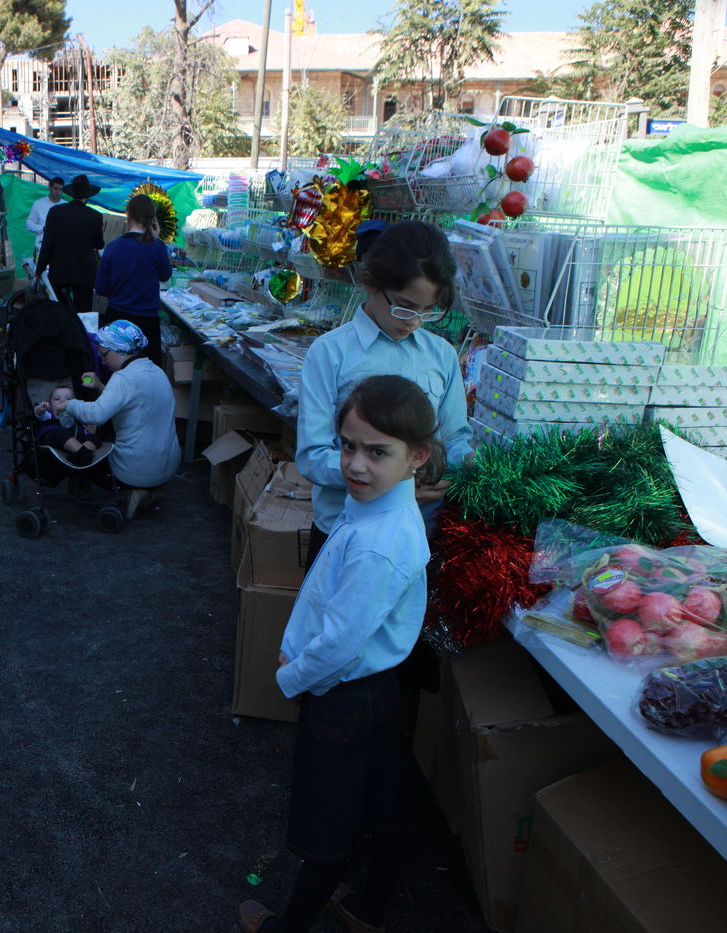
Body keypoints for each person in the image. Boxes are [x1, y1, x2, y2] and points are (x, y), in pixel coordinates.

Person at [238, 375, 441, 933]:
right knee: (380, 798)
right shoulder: (380, 514)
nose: (355, 464)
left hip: (341, 696)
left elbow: (343, 640)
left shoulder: (378, 541)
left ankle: (291, 926)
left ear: (416, 456)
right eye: (348, 445)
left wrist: (295, 674)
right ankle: (368, 907)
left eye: (377, 452)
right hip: (370, 694)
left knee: (326, 819)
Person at [295, 220, 472, 566]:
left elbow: (455, 437)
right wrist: (397, 480)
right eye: (404, 307)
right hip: (343, 535)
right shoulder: (330, 353)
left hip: (419, 534)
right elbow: (313, 455)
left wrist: (468, 464)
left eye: (427, 311)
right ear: (372, 283)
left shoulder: (441, 355)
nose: (414, 322)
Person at [63, 320, 179, 519]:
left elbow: (97, 414)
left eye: (104, 354)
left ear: (121, 350)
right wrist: (100, 386)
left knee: (83, 457)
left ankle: (130, 489)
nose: (104, 361)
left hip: (134, 470)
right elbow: (134, 402)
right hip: (168, 466)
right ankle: (149, 491)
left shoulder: (123, 378)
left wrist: (67, 404)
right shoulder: (157, 371)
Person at [95, 194, 173, 358]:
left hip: (117, 319)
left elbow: (101, 288)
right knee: (145, 370)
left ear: (128, 214)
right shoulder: (156, 246)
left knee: (116, 371)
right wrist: (157, 241)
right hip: (147, 322)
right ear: (152, 218)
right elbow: (165, 276)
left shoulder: (113, 247)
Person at [35, 174, 105, 314]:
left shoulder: (55, 212)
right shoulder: (95, 216)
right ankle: (81, 335)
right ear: (87, 195)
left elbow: (47, 244)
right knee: (83, 314)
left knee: (59, 313)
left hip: (60, 270)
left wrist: (39, 269)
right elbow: (99, 244)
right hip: (84, 272)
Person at [33, 385, 101, 466]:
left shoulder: (77, 417)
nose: (62, 401)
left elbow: (85, 432)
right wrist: (40, 408)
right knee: (60, 432)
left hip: (76, 444)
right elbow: (38, 414)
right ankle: (84, 454)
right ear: (50, 405)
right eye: (57, 399)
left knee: (95, 437)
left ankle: (80, 455)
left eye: (68, 399)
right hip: (54, 440)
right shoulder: (49, 414)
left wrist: (90, 432)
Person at [25, 176, 65, 255]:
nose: (57, 192)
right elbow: (29, 224)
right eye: (55, 188)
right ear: (49, 188)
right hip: (42, 246)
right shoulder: (38, 204)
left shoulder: (66, 205)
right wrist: (42, 228)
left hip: (61, 247)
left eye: (60, 189)